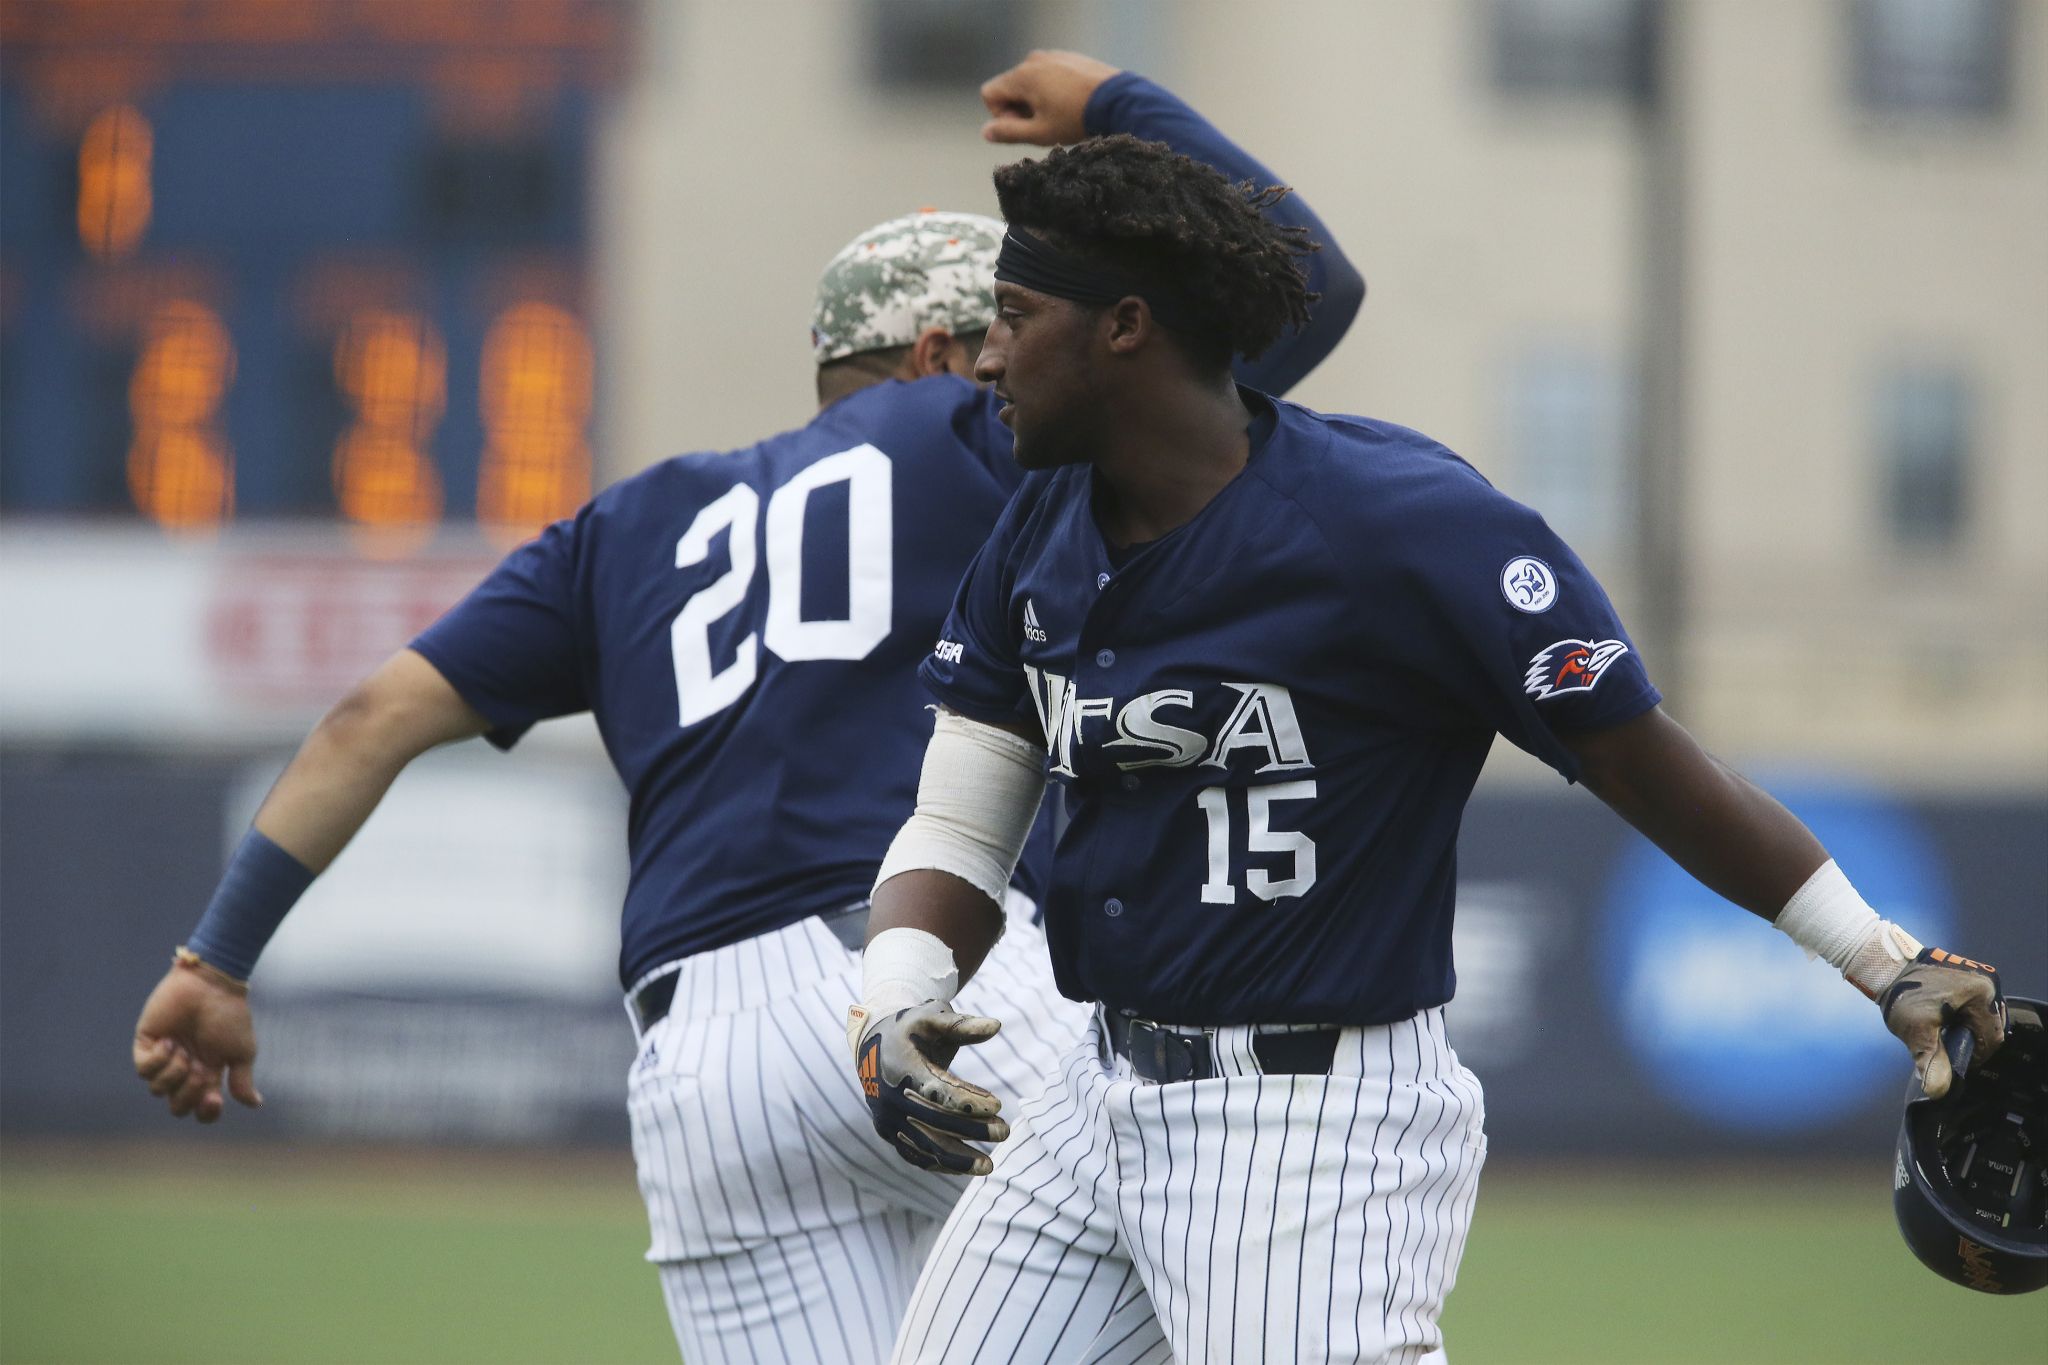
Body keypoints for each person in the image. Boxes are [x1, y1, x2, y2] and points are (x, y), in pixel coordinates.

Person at [128, 52, 1363, 1365]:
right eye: (1005, 327)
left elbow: (370, 717)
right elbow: (1308, 290)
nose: (1023, 349)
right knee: (1251, 1289)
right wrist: (1122, 110)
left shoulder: (629, 523)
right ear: (942, 353)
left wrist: (215, 960)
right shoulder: (977, 433)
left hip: (704, 1067)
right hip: (942, 984)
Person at [845, 134, 2009, 1364]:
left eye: (1014, 316)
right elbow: (965, 822)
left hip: (1306, 1127)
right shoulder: (1039, 523)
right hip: (1088, 1095)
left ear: (1124, 326)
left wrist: (1879, 961)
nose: (984, 357)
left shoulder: (1396, 523)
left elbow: (1639, 762)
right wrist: (899, 998)